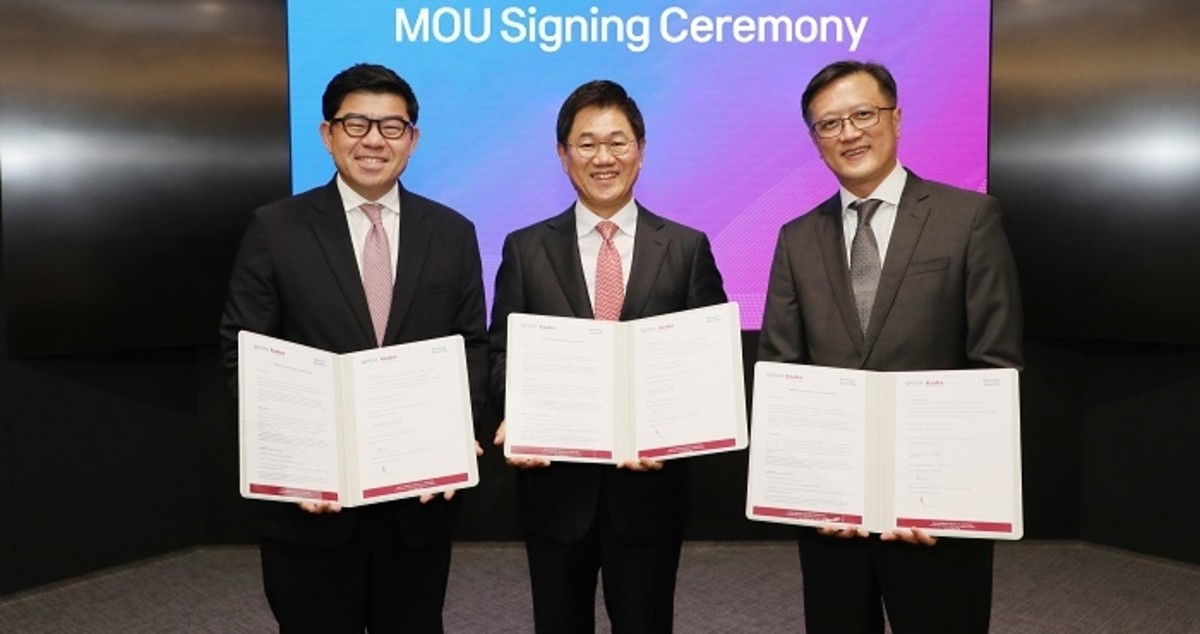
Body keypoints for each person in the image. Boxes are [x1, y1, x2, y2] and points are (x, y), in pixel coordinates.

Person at [219, 63, 488, 633]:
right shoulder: (275, 229)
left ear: (412, 139)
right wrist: (294, 463)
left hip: (416, 505)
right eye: (356, 123)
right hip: (311, 507)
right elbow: (245, 353)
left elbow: (471, 346)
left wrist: (453, 439)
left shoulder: (453, 233)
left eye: (391, 127)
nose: (373, 140)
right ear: (328, 134)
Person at [757, 60, 1024, 633]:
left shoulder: (968, 218)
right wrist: (814, 493)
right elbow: (781, 369)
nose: (849, 133)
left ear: (896, 119)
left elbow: (994, 366)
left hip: (938, 522)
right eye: (830, 124)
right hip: (833, 523)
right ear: (816, 141)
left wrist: (946, 500)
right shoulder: (796, 238)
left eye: (863, 114)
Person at [488, 79, 727, 633]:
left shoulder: (686, 248)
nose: (603, 158)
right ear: (563, 154)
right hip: (554, 492)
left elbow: (708, 364)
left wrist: (674, 435)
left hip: (649, 493)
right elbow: (501, 353)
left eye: (617, 142)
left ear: (640, 149)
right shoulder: (525, 248)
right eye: (587, 143)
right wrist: (519, 415)